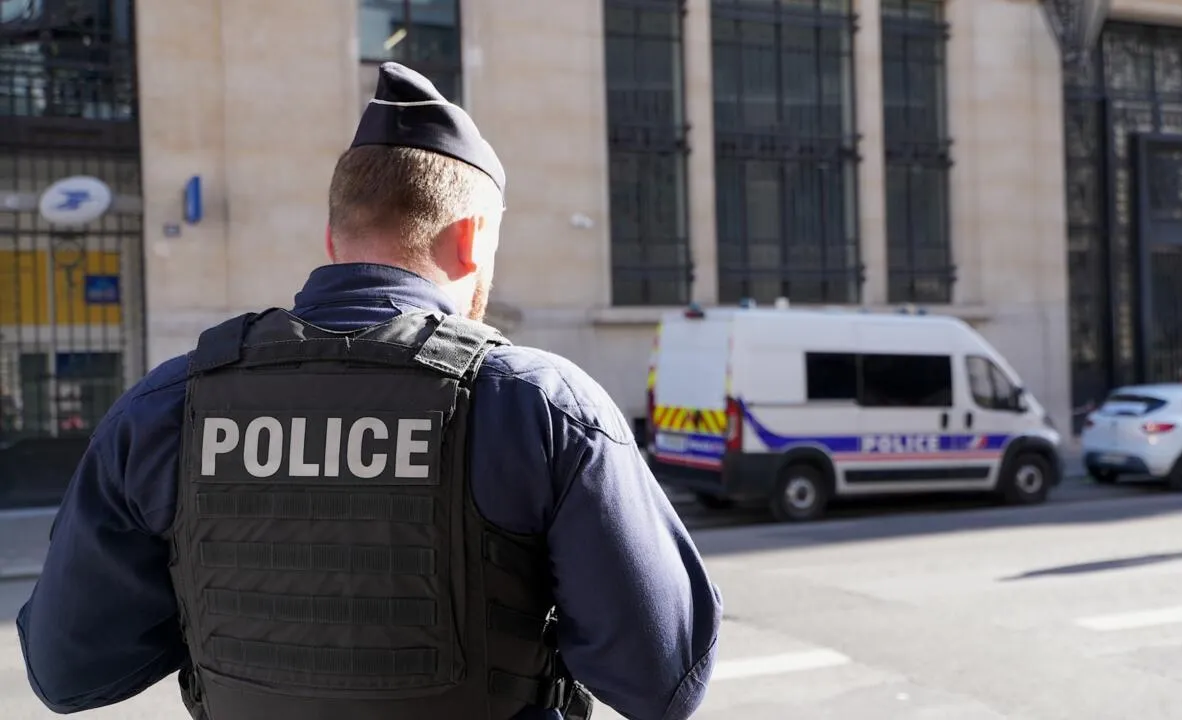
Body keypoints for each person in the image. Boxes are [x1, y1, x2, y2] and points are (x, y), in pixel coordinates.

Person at [18, 62, 722, 720]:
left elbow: (68, 670)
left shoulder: (165, 407)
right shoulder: (539, 406)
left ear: (332, 236)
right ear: (473, 238)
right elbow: (664, 678)